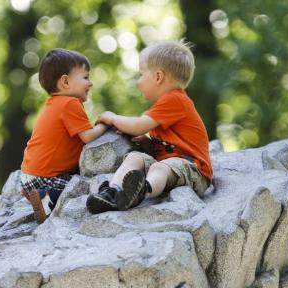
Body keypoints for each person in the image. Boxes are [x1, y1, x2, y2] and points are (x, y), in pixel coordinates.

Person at [86, 40, 213, 214]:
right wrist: (148, 145)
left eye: (141, 74)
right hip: (170, 168)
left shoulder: (175, 99)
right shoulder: (164, 106)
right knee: (135, 157)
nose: (138, 81)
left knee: (158, 168)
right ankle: (113, 192)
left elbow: (138, 126)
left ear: (158, 77)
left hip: (193, 169)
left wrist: (113, 117)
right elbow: (167, 144)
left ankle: (142, 191)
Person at [21, 48, 109, 223]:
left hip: (29, 176)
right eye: (85, 77)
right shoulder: (70, 103)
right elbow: (88, 137)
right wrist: (105, 124)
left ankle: (36, 194)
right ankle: (46, 197)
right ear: (65, 82)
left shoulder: (54, 104)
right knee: (83, 184)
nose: (90, 83)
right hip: (46, 178)